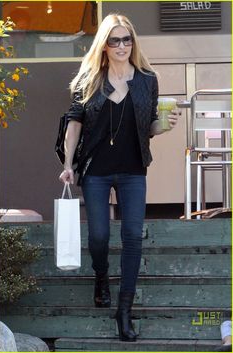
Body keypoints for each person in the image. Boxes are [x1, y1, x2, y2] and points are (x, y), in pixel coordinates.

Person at [57, 13, 180, 342]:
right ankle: (101, 276)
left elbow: (150, 126)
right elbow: (74, 124)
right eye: (115, 40)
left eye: (127, 39)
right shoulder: (90, 80)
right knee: (98, 237)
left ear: (133, 43)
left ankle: (123, 310)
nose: (122, 45)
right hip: (96, 169)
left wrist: (164, 126)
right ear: (104, 46)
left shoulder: (147, 80)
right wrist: (68, 163)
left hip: (133, 169)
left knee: (132, 237)